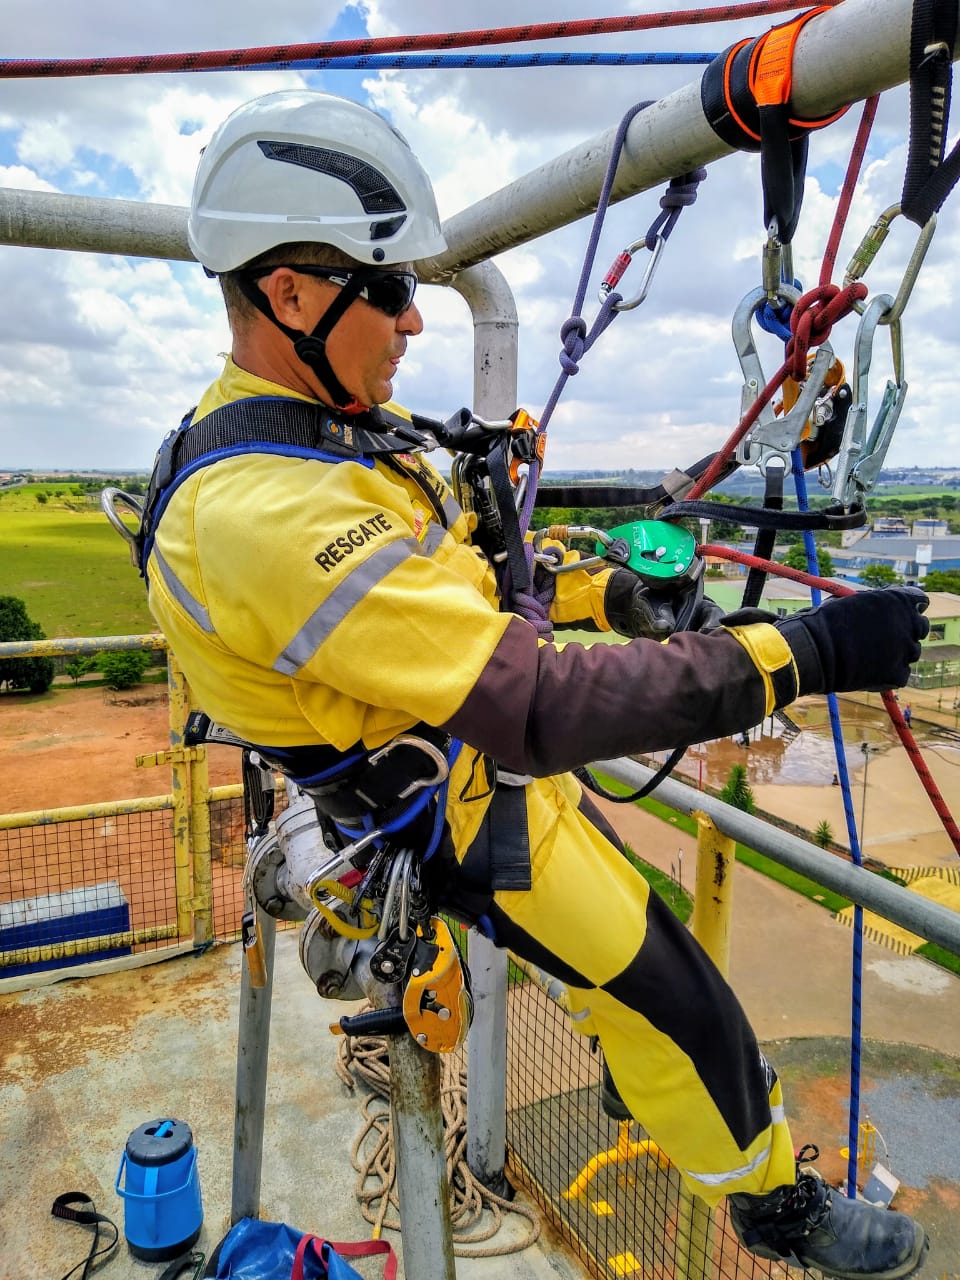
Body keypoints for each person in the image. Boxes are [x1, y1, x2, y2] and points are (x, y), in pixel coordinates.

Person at [144, 90, 930, 1279]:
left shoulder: (324, 432)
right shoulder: (266, 512)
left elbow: (457, 574)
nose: (415, 319)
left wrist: (606, 594)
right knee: (684, 996)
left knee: (646, 974)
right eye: (391, 286)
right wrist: (809, 653)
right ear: (291, 294)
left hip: (464, 760)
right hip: (443, 810)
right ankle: (773, 1204)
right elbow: (543, 707)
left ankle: (655, 1081)